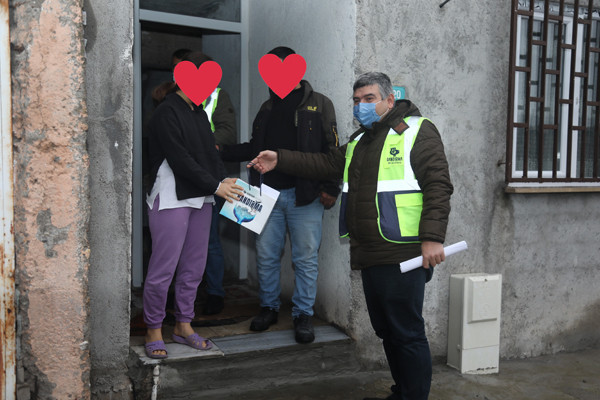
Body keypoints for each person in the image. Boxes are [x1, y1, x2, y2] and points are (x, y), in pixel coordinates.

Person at [249, 72, 453, 400]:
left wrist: (432, 238)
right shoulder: (361, 141)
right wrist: (280, 158)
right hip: (369, 251)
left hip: (403, 251)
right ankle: (402, 392)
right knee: (387, 331)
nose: (361, 106)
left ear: (390, 100)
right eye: (357, 101)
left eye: (369, 99)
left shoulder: (417, 130)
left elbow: (438, 185)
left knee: (407, 332)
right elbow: (324, 163)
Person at [220, 46, 340, 344]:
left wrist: (330, 187)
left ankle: (303, 315)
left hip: (305, 195)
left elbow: (332, 151)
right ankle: (269, 308)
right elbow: (254, 147)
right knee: (266, 256)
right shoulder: (266, 108)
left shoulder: (320, 104)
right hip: (266, 195)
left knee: (305, 259)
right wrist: (220, 150)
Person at [143, 51, 243, 359]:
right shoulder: (166, 111)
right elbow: (179, 158)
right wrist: (216, 185)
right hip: (171, 197)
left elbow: (210, 155)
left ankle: (183, 325)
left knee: (194, 267)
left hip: (201, 197)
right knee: (163, 268)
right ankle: (153, 329)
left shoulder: (199, 113)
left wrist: (225, 181)